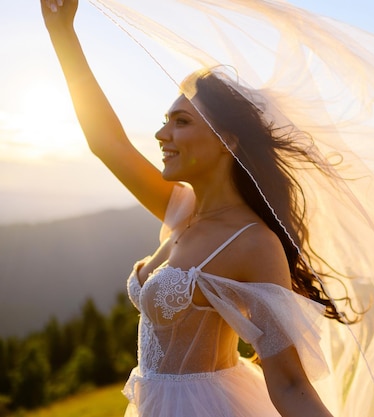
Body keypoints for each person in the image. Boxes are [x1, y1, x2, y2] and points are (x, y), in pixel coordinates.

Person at [41, 1, 340, 416]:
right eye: (166, 119)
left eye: (181, 121)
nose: (162, 133)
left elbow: (290, 385)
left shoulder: (253, 243)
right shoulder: (182, 207)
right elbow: (106, 144)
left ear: (227, 140)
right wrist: (62, 33)